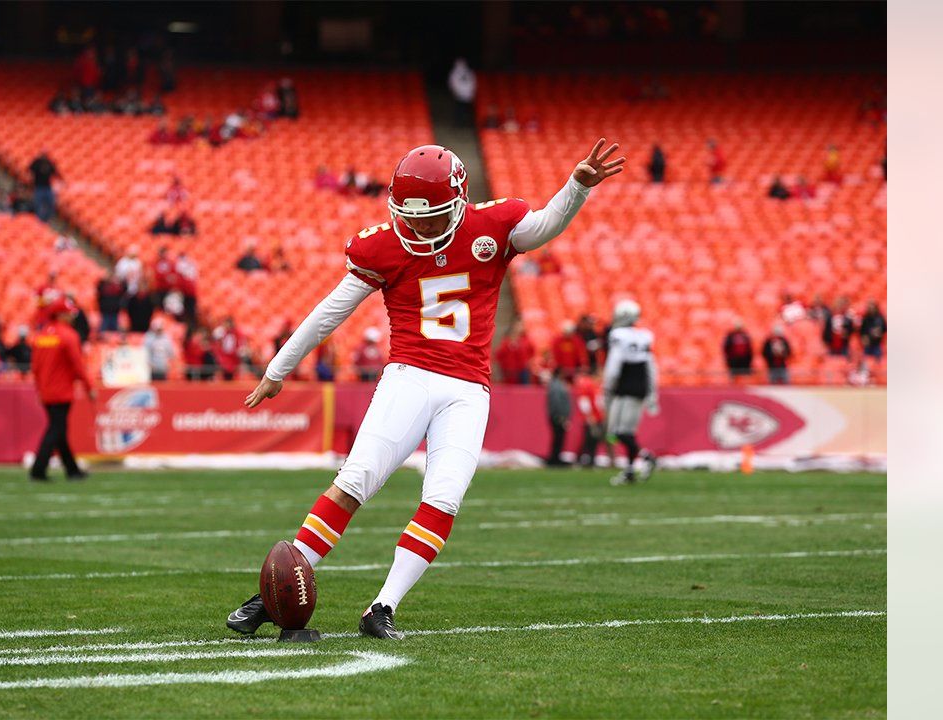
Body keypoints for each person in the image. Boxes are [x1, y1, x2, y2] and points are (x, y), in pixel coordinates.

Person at [225, 139, 626, 639]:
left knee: (444, 499)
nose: (420, 226)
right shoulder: (384, 246)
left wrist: (577, 187)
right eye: (411, 215)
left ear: (459, 201)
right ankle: (273, 596)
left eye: (432, 215)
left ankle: (382, 607)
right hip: (409, 375)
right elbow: (331, 310)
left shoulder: (492, 226)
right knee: (355, 481)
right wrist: (278, 368)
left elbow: (544, 225)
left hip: (467, 388)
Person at [29, 298, 95, 481]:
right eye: (69, 313)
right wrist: (89, 386)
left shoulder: (41, 336)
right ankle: (38, 469)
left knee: (59, 430)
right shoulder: (69, 336)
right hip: (62, 391)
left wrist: (38, 390)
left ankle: (72, 470)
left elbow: (35, 367)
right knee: (55, 430)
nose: (73, 316)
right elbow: (78, 366)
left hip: (46, 391)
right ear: (60, 314)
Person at [602, 300, 658, 485]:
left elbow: (614, 363)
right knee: (627, 433)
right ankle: (630, 471)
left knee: (617, 432)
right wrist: (652, 392)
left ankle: (645, 457)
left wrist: (608, 386)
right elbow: (651, 366)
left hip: (625, 387)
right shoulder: (643, 336)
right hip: (639, 386)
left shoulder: (618, 335)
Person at [573, 370, 606, 468]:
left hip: (597, 417)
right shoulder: (587, 384)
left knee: (594, 439)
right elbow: (584, 401)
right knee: (588, 439)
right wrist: (589, 416)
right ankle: (580, 460)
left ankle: (591, 460)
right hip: (592, 417)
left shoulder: (597, 385)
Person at [546, 368, 572, 468]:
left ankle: (555, 458)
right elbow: (557, 402)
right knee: (558, 438)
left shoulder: (555, 385)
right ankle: (555, 458)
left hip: (557, 416)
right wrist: (561, 416)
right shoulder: (557, 386)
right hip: (559, 417)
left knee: (558, 438)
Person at [28, 150, 60, 222]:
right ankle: (38, 220)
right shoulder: (37, 163)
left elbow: (56, 173)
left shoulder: (49, 164)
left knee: (51, 203)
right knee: (38, 204)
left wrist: (61, 181)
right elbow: (29, 170)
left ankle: (46, 219)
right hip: (38, 187)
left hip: (47, 187)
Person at [448, 58, 476, 127]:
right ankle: (459, 123)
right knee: (459, 110)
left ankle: (465, 124)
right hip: (460, 95)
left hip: (467, 95)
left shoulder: (469, 72)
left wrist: (471, 92)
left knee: (465, 110)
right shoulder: (455, 73)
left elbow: (473, 83)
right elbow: (452, 83)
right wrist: (455, 91)